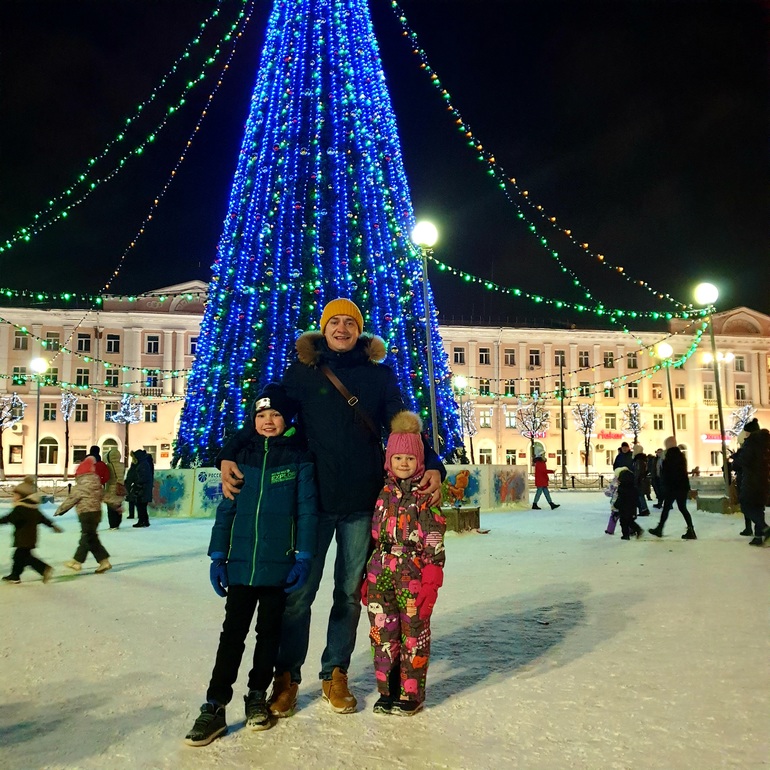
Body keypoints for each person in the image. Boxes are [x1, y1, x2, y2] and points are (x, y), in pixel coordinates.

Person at [217, 298, 445, 718]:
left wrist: (432, 462)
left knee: (348, 595)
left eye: (350, 323)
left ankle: (335, 671)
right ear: (323, 329)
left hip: (361, 501)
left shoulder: (378, 375)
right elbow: (269, 416)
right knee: (298, 594)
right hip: (313, 503)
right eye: (334, 322)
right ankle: (287, 677)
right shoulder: (302, 373)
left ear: (360, 330)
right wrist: (229, 451)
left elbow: (402, 426)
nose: (342, 329)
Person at [185, 385, 318, 746]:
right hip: (242, 566)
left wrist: (304, 555)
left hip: (279, 565)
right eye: (261, 415)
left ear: (287, 419)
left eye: (275, 414)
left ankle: (257, 695)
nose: (268, 421)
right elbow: (226, 509)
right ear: (253, 420)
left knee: (269, 635)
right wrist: (218, 556)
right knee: (232, 635)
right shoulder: (240, 457)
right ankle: (215, 704)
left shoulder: (299, 457)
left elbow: (307, 510)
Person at [364, 411, 446, 716]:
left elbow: (434, 535)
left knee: (413, 634)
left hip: (412, 572)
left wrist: (432, 577)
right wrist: (367, 575)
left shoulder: (426, 495)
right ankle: (388, 690)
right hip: (380, 571)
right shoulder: (383, 493)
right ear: (389, 460)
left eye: (410, 458)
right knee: (382, 634)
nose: (403, 463)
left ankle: (411, 693)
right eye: (397, 457)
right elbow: (375, 534)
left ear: (419, 460)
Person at [1, 476, 63, 584]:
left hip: (23, 538)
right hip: (30, 537)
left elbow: (10, 518)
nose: (13, 497)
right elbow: (42, 518)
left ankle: (43, 569)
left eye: (15, 495)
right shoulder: (33, 508)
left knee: (23, 557)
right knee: (20, 557)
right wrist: (52, 525)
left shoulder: (20, 508)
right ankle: (15, 575)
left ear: (23, 496)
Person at [54, 457, 112, 573]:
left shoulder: (80, 486)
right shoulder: (97, 484)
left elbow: (72, 499)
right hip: (96, 513)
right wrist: (116, 505)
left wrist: (60, 510)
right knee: (91, 538)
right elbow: (105, 496)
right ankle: (104, 561)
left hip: (86, 514)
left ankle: (77, 561)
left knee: (86, 536)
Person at [648, 436, 697, 540]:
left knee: (666, 508)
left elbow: (667, 473)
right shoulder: (681, 455)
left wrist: (664, 486)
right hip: (682, 486)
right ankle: (691, 529)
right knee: (682, 508)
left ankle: (660, 529)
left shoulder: (668, 456)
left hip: (672, 487)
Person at [731, 419, 770, 546]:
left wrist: (735, 459)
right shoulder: (765, 442)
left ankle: (765, 529)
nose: (745, 434)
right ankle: (758, 537)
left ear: (750, 432)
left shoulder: (751, 443)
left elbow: (743, 461)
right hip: (764, 480)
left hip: (751, 480)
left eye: (746, 432)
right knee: (758, 508)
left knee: (746, 506)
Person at [612, 467, 644, 540]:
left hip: (623, 509)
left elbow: (620, 499)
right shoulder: (634, 488)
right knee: (630, 521)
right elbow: (636, 498)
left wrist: (616, 505)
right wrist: (639, 505)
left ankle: (625, 535)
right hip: (632, 508)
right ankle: (638, 529)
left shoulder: (621, 488)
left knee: (623, 522)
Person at [126, 449, 154, 528]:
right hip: (143, 488)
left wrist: (136, 483)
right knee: (142, 505)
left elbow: (143, 477)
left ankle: (142, 521)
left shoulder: (143, 465)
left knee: (140, 505)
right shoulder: (143, 463)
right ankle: (145, 521)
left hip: (142, 488)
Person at [103, 448, 126, 530]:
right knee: (118, 505)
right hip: (120, 488)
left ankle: (113, 525)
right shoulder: (122, 465)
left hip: (111, 488)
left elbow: (108, 478)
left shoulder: (109, 466)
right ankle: (118, 523)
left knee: (111, 507)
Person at [632, 444, 650, 516]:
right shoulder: (643, 459)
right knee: (640, 495)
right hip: (642, 479)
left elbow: (638, 471)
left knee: (640, 495)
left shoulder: (638, 460)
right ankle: (644, 509)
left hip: (640, 480)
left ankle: (644, 509)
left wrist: (635, 480)